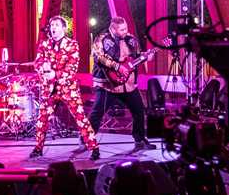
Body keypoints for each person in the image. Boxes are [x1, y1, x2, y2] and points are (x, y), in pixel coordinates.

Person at [30, 15, 98, 160]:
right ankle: (38, 148)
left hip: (68, 88)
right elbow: (37, 62)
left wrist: (54, 74)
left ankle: (94, 147)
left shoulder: (72, 45)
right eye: (51, 25)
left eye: (56, 25)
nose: (53, 27)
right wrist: (43, 68)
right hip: (49, 89)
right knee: (42, 120)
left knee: (80, 118)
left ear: (63, 28)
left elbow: (72, 68)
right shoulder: (44, 44)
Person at [88, 16, 157, 155]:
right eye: (122, 29)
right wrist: (117, 67)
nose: (125, 31)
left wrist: (147, 56)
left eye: (126, 28)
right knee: (97, 113)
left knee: (139, 111)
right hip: (108, 84)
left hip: (128, 84)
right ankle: (86, 138)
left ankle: (139, 139)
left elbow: (136, 57)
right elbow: (99, 57)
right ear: (113, 28)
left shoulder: (131, 39)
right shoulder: (101, 39)